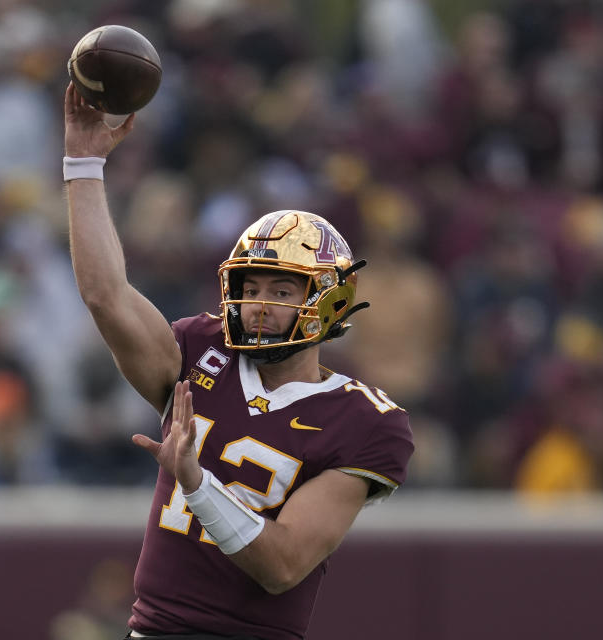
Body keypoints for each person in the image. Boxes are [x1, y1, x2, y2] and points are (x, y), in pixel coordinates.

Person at [62, 83, 414, 640]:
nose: (259, 304)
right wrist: (83, 162)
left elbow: (283, 566)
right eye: (251, 287)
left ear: (329, 301)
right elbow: (107, 295)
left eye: (282, 290)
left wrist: (197, 484)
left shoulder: (366, 422)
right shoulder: (200, 351)